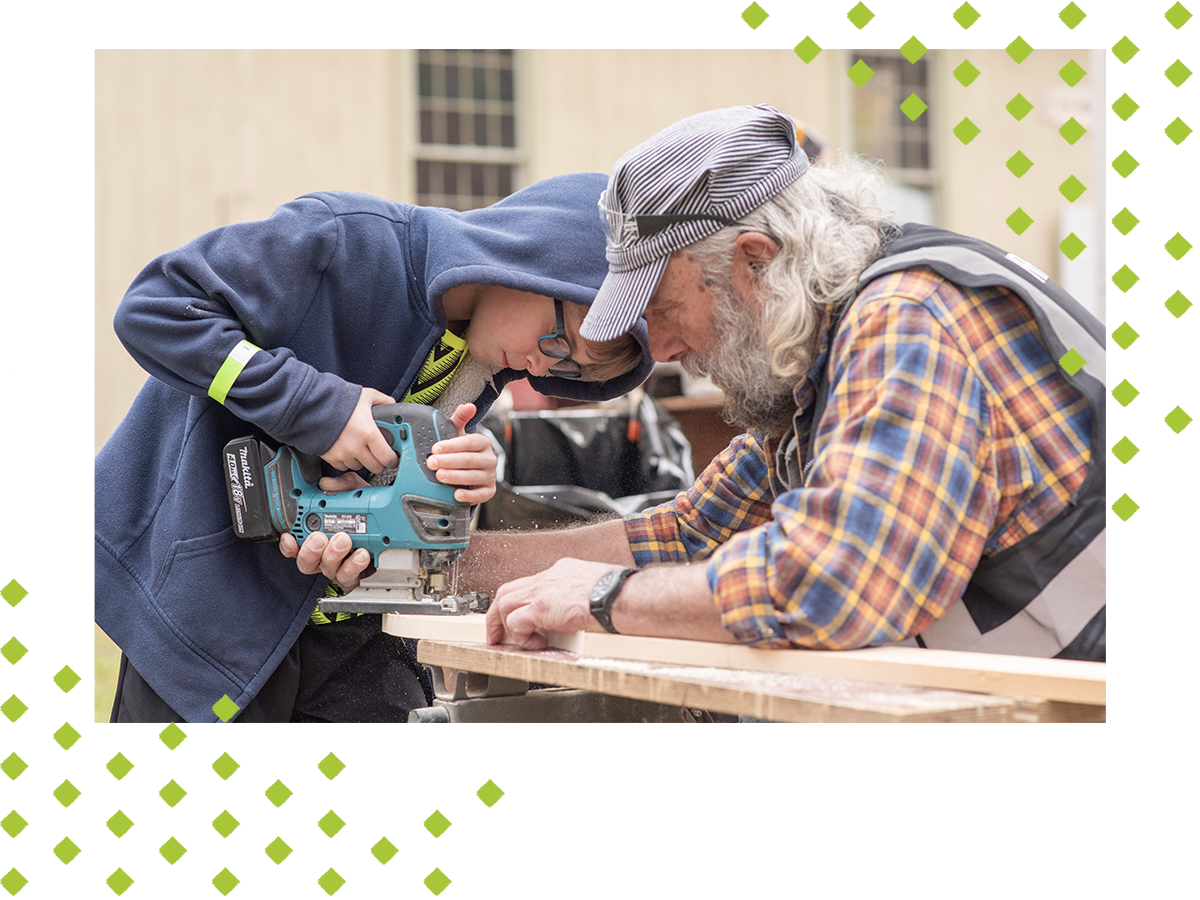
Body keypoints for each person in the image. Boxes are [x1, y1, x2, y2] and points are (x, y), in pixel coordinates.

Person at [302, 105, 1107, 665]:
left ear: (755, 262)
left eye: (662, 307)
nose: (658, 346)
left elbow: (837, 582)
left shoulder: (908, 319)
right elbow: (687, 535)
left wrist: (603, 598)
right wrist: (427, 561)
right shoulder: (812, 370)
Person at [95, 172, 655, 723]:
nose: (544, 367)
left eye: (569, 369)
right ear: (534, 259)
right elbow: (155, 308)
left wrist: (448, 483)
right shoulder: (345, 240)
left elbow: (367, 473)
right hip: (209, 619)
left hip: (349, 625)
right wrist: (317, 407)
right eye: (560, 341)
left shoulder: (484, 358)